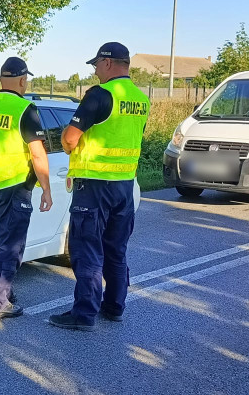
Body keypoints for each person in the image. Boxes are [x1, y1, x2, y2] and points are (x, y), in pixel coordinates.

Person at [48, 42, 149, 331]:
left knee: (88, 250)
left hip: (94, 186)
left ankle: (84, 314)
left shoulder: (100, 95)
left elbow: (69, 138)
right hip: (124, 186)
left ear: (107, 63)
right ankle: (115, 306)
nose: (94, 71)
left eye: (95, 65)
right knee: (116, 249)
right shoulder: (141, 99)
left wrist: (71, 152)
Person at [0, 56, 53, 319]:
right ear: (22, 80)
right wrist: (46, 188)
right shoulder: (25, 109)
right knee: (11, 246)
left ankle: (3, 290)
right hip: (15, 185)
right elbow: (37, 154)